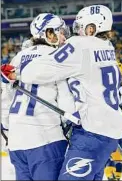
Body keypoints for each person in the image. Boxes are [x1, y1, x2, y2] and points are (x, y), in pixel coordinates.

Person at [5, 5, 122, 180]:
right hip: (105, 129)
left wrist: (15, 74)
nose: (72, 34)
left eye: (79, 28)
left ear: (91, 28)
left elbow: (34, 72)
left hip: (90, 131)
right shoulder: (107, 47)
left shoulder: (79, 45)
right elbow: (66, 100)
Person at [1, 13, 75, 180]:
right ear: (48, 33)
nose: (63, 36)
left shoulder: (17, 57)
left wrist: (7, 129)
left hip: (17, 141)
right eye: (60, 31)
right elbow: (66, 100)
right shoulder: (57, 57)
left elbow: (5, 98)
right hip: (46, 139)